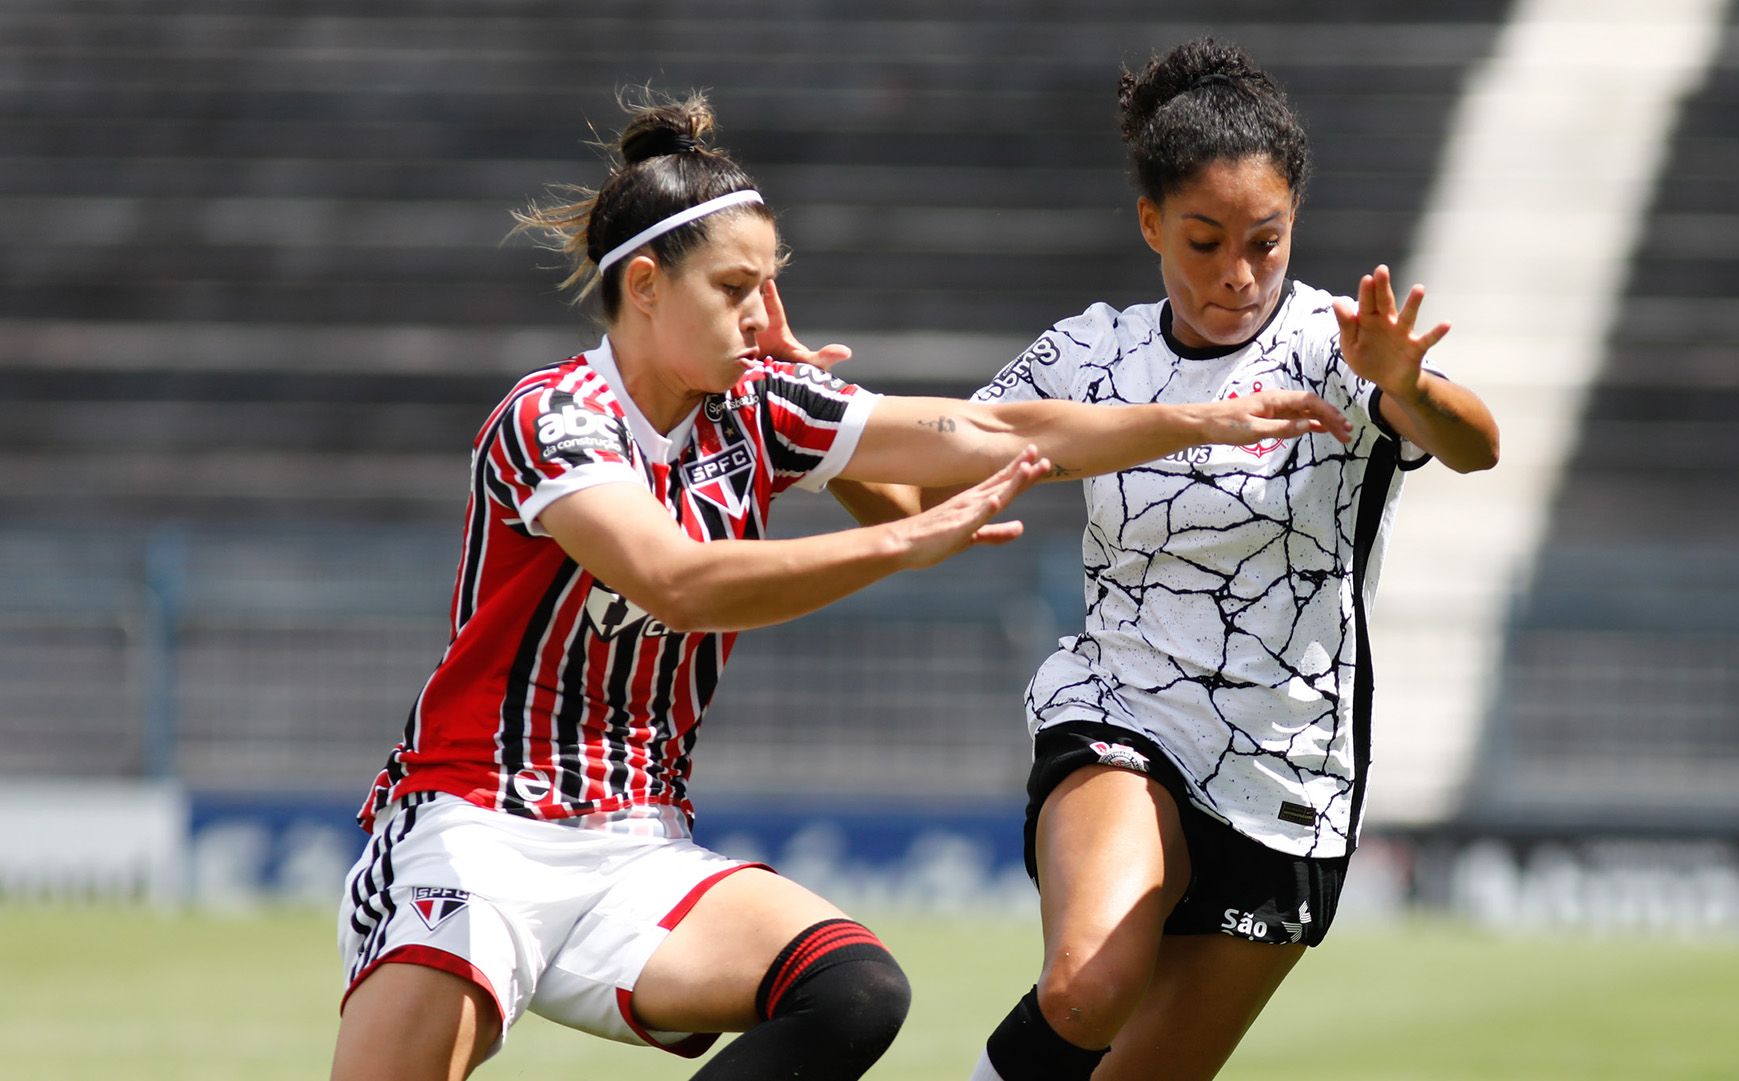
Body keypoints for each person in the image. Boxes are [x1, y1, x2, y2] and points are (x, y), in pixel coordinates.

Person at [328, 88, 1355, 1081]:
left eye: (773, 284)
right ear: (645, 287)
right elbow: (680, 582)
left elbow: (990, 435)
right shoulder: (554, 418)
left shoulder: (760, 405)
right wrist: (899, 549)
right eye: (736, 288)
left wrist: (1204, 417)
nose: (766, 313)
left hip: (635, 842)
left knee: (853, 991)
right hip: (475, 826)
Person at [941, 38, 1502, 1081]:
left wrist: (1409, 387)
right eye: (1204, 241)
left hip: (1289, 771)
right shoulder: (1089, 353)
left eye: (1265, 242)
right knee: (1085, 987)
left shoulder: (1345, 347)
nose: (1236, 275)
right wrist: (824, 431)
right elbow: (928, 456)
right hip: (1123, 712)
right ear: (1151, 222)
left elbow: (1476, 443)